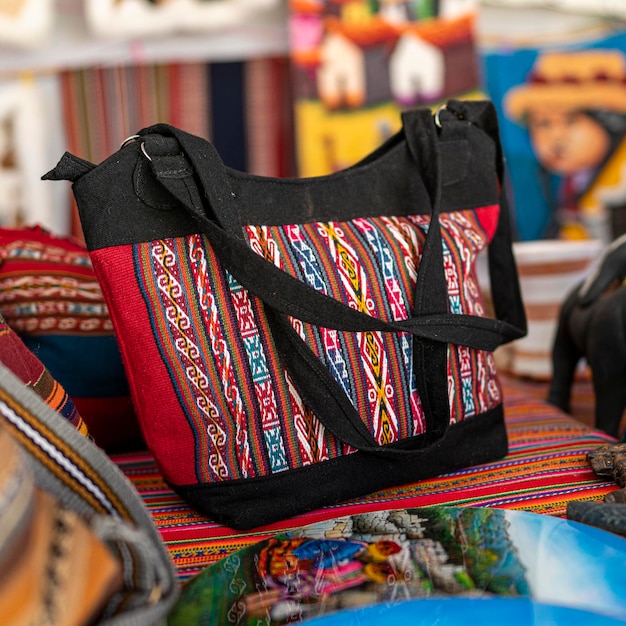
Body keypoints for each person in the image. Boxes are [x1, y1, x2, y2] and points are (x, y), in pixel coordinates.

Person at [505, 50, 626, 241]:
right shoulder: (569, 184)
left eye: (570, 122)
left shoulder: (619, 183)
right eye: (543, 124)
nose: (556, 137)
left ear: (612, 123)